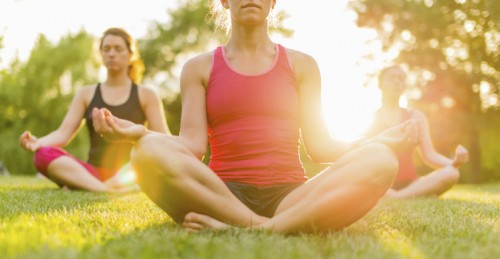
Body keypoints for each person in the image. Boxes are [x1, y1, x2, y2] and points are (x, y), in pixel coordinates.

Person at [93, 0, 417, 233]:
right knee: (147, 152)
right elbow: (191, 147)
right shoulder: (198, 68)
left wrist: (375, 141)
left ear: (273, 2)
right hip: (221, 195)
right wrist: (139, 133)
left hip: (291, 196)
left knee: (381, 159)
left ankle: (261, 228)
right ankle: (269, 227)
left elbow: (321, 146)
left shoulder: (303, 65)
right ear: (224, 2)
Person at [19, 28, 169, 192]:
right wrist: (38, 143)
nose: (112, 53)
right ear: (101, 54)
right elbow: (63, 133)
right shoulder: (86, 93)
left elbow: (163, 139)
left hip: (132, 171)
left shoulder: (147, 95)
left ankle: (92, 187)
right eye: (106, 49)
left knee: (152, 157)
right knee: (43, 155)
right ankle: (106, 189)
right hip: (92, 173)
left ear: (131, 55)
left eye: (118, 49)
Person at [365, 65, 469, 199]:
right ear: (380, 84)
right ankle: (405, 195)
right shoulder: (370, 119)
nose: (397, 81)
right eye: (392, 78)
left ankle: (398, 197)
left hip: (411, 184)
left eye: (401, 79)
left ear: (404, 86)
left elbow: (429, 155)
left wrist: (455, 162)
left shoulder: (416, 116)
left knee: (452, 173)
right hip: (381, 183)